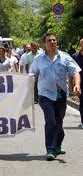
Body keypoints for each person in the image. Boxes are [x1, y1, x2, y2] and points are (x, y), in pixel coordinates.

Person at [30, 32, 81, 161]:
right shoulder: (38, 59)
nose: (52, 42)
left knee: (59, 123)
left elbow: (76, 72)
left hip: (61, 95)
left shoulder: (64, 57)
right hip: (45, 95)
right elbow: (32, 74)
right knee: (51, 121)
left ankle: (58, 145)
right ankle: (50, 149)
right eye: (49, 41)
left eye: (54, 40)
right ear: (44, 44)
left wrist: (77, 85)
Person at [72, 38, 83, 128]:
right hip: (80, 83)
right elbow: (72, 71)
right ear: (80, 45)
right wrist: (73, 84)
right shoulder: (75, 56)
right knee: (82, 102)